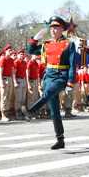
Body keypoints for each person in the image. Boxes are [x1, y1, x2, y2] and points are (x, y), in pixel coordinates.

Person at [27, 16, 76, 149]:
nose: (53, 30)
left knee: (48, 93)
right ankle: (60, 139)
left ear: (62, 29)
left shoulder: (68, 44)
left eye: (56, 27)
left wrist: (71, 82)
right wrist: (35, 38)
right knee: (54, 110)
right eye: (52, 28)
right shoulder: (46, 44)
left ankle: (31, 111)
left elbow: (72, 64)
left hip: (61, 76)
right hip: (49, 75)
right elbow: (30, 51)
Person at [0, 44, 15, 121]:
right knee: (4, 97)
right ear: (5, 51)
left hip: (9, 79)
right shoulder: (3, 59)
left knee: (8, 96)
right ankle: (3, 114)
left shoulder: (11, 60)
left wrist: (13, 80)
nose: (10, 51)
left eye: (11, 50)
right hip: (4, 79)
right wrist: (1, 81)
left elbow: (12, 71)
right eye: (9, 50)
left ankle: (7, 112)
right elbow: (0, 71)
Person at [14, 50, 28, 120]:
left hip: (23, 80)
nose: (22, 55)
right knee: (18, 98)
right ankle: (17, 113)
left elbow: (25, 73)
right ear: (18, 55)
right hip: (18, 80)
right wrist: (15, 82)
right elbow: (14, 73)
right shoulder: (16, 62)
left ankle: (22, 113)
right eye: (21, 54)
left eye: (23, 54)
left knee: (23, 99)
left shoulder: (25, 62)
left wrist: (26, 82)